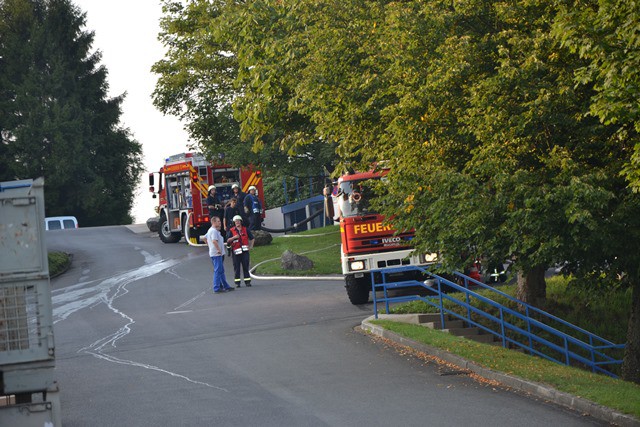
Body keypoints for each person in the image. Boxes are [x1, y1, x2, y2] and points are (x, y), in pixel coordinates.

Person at [203, 216, 234, 294]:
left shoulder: (211, 230)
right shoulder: (213, 231)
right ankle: (216, 287)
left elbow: (204, 238)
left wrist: (208, 245)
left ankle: (225, 285)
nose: (220, 223)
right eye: (218, 221)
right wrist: (218, 250)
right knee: (218, 270)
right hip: (216, 254)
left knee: (221, 270)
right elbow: (214, 241)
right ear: (214, 222)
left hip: (214, 253)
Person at [226, 215, 254, 287]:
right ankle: (237, 283)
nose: (237, 222)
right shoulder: (231, 231)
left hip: (245, 252)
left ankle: (247, 282)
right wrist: (233, 237)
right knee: (237, 267)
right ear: (234, 223)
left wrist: (250, 247)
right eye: (236, 221)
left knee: (245, 266)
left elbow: (252, 238)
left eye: (238, 221)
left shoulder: (245, 229)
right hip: (236, 252)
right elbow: (228, 241)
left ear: (241, 222)